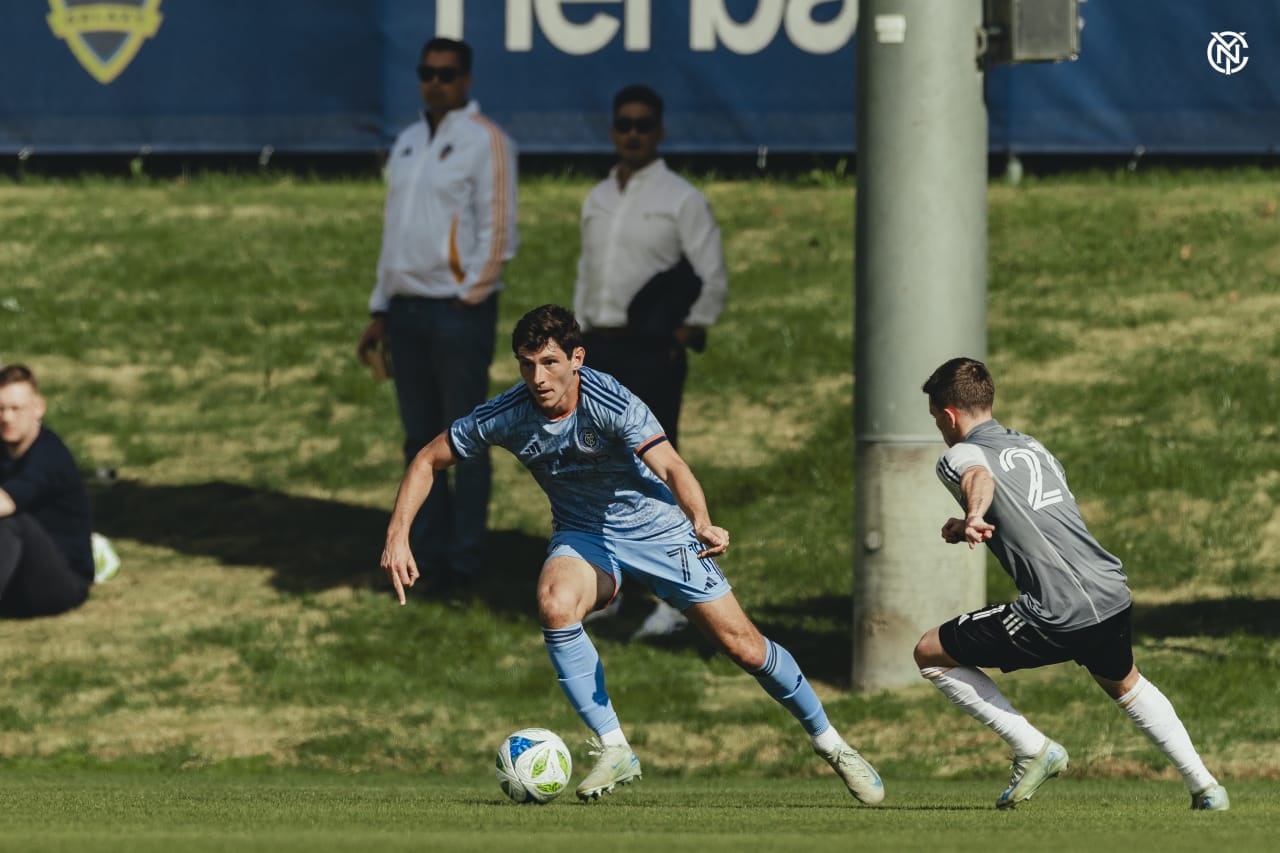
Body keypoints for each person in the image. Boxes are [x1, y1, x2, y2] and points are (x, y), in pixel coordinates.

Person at [380, 305, 883, 805]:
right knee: (555, 604)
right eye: (526, 363)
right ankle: (614, 747)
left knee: (744, 648)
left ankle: (831, 744)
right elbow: (428, 458)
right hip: (585, 536)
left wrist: (700, 519)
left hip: (660, 532)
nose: (538, 376)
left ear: (577, 358)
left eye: (550, 362)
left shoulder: (610, 400)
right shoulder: (510, 413)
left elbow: (672, 467)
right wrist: (398, 534)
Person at [913, 357, 1229, 811]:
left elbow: (976, 475)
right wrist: (968, 521)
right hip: (1110, 591)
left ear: (948, 415)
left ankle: (1034, 749)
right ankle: (1206, 788)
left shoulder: (959, 453)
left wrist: (976, 514)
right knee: (1126, 684)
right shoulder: (1032, 446)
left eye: (936, 421)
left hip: (1057, 610)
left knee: (929, 652)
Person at [356, 36, 518, 595]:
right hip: (404, 311)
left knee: (464, 441)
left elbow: (498, 230)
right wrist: (381, 306)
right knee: (417, 441)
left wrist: (467, 296)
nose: (435, 82)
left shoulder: (486, 141)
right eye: (427, 72)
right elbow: (393, 232)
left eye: (446, 73)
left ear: (466, 79)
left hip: (456, 314)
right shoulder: (405, 142)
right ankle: (421, 556)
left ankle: (466, 560)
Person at [573, 84, 728, 640]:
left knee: (659, 471)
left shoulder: (681, 198)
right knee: (599, 468)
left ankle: (680, 596)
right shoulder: (596, 198)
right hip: (599, 346)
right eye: (624, 124)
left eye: (642, 125)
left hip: (650, 349)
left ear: (658, 132)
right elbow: (586, 275)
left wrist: (686, 330)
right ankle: (607, 585)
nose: (632, 133)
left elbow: (713, 276)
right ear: (614, 130)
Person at [0, 365, 93, 618]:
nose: (7, 417)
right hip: (17, 577)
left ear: (38, 408)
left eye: (16, 408)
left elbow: (5, 503)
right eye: (0, 409)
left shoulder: (50, 455)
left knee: (11, 521)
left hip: (62, 580)